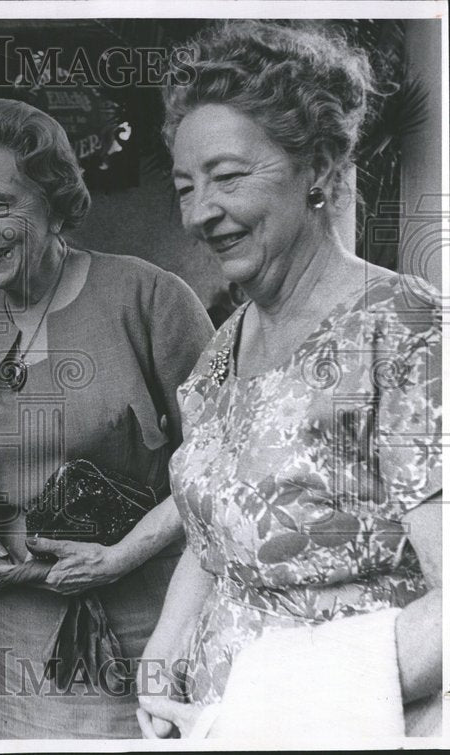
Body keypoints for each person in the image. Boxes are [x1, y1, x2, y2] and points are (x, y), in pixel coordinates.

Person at [137, 21, 442, 741]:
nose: (200, 213)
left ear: (324, 168)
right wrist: (160, 659)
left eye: (229, 176)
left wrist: (280, 701)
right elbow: (215, 542)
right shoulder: (220, 351)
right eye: (186, 186)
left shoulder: (408, 334)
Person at [0, 98, 213, 738]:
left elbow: (221, 464)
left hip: (151, 630)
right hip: (17, 642)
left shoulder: (148, 298)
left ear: (55, 202)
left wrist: (120, 555)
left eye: (1, 205)